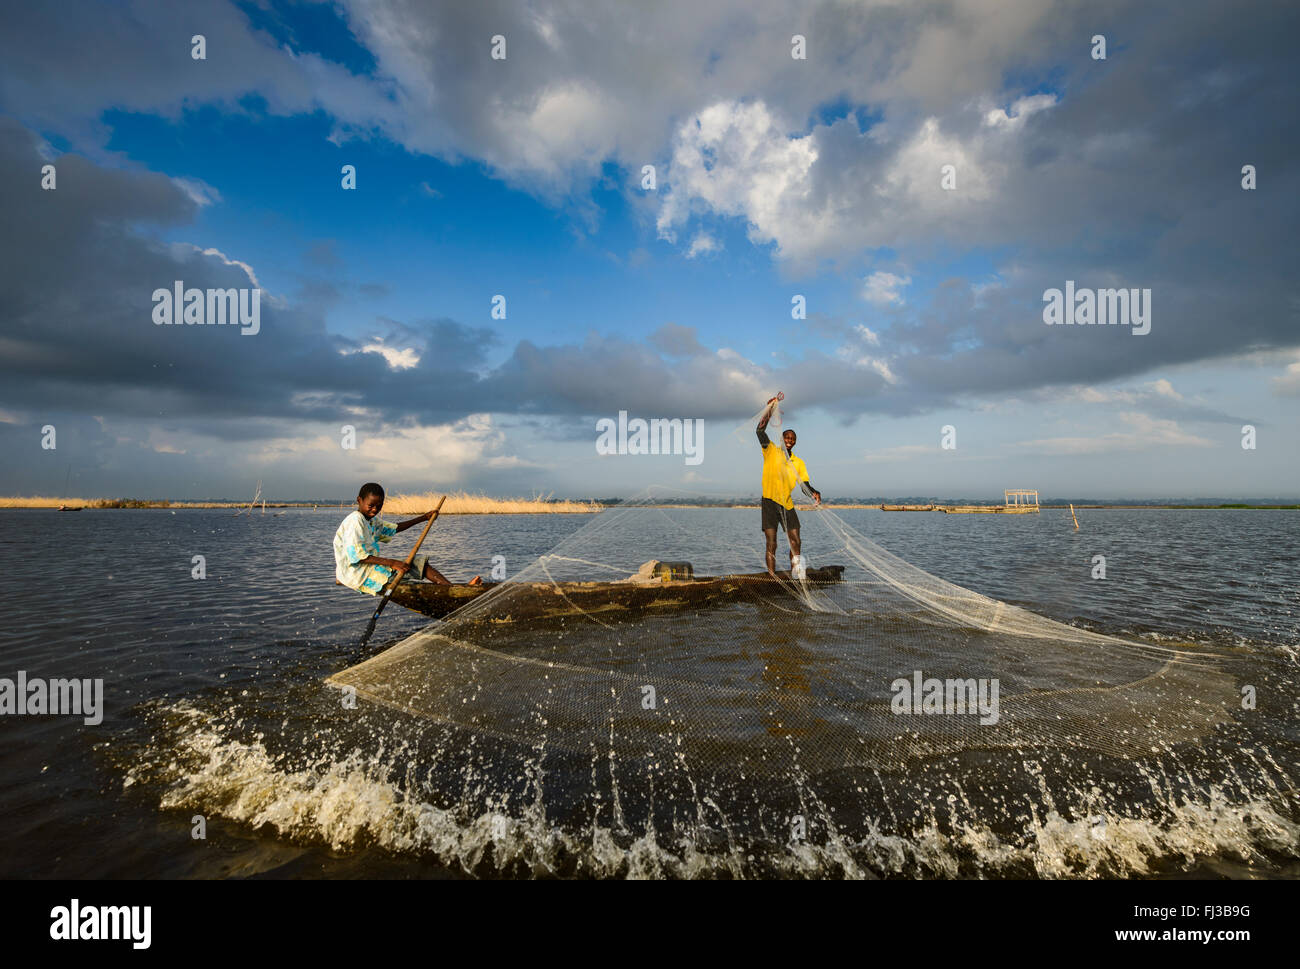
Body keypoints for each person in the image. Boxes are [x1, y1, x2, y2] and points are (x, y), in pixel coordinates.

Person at [333, 482, 481, 594]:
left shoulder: (370, 520)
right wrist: (392, 563)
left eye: (379, 506)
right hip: (357, 573)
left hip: (367, 567)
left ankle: (455, 590)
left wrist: (424, 518)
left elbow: (394, 529)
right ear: (359, 500)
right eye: (371, 505)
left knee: (418, 565)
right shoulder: (355, 521)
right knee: (401, 580)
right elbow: (357, 556)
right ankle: (455, 592)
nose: (375, 510)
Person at [757, 396, 821, 578]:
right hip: (769, 502)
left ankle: (796, 572)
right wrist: (770, 409)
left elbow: (804, 484)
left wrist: (814, 493)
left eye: (792, 438)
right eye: (787, 437)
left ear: (795, 442)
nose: (789, 440)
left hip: (787, 504)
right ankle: (771, 577)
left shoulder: (798, 462)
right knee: (772, 542)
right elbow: (760, 430)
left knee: (796, 540)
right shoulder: (770, 451)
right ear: (782, 438)